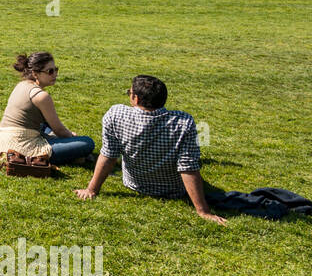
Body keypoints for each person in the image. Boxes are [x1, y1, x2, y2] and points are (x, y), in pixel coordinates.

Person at [74, 74, 229, 225]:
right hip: (174, 189)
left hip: (134, 184)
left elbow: (108, 155)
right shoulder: (184, 122)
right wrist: (203, 211)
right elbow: (188, 167)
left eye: (130, 93)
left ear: (136, 99)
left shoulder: (116, 115)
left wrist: (91, 190)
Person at [0, 52, 94, 166]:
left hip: (5, 140)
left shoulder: (22, 84)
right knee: (87, 143)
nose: (55, 74)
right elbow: (60, 131)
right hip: (22, 147)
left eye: (55, 69)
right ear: (35, 73)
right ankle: (72, 156)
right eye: (50, 71)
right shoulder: (41, 97)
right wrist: (72, 137)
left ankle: (71, 153)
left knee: (46, 126)